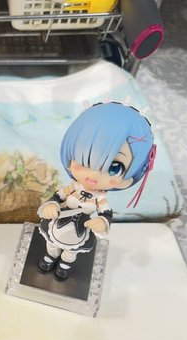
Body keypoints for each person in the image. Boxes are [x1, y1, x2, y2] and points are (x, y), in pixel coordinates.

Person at [37, 102, 156, 279]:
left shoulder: (100, 199)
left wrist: (102, 221)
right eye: (84, 160)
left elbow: (105, 214)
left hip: (79, 229)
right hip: (58, 222)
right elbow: (57, 196)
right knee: (51, 244)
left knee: (71, 251)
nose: (93, 174)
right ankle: (51, 256)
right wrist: (51, 205)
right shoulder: (72, 188)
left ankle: (65, 263)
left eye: (114, 168)